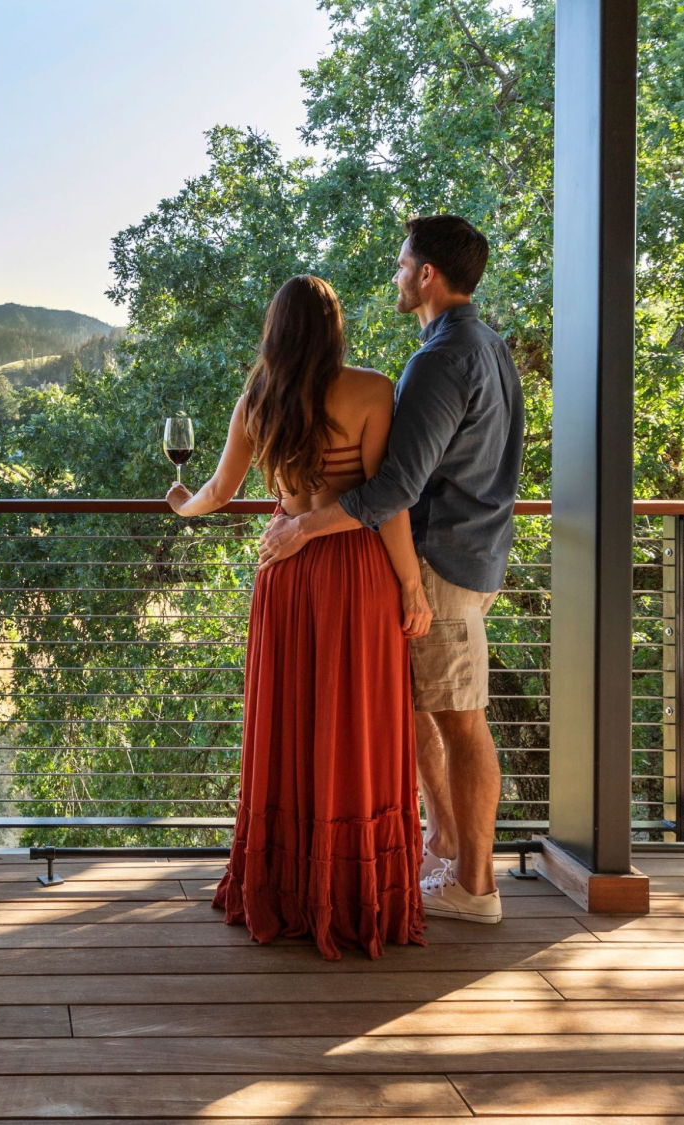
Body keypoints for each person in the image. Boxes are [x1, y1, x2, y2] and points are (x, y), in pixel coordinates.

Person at [257, 215, 523, 925]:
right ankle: (439, 842)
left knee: (462, 720)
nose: (397, 276)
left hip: (440, 560)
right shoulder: (488, 345)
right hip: (476, 551)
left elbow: (394, 488)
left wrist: (305, 524)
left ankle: (475, 885)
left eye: (403, 265)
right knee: (415, 708)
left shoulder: (438, 360)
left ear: (428, 275)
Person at [167, 274, 433, 960]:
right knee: (356, 722)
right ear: (335, 327)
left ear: (275, 330)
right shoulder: (373, 390)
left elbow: (219, 491)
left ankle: (286, 884)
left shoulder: (257, 398)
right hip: (356, 571)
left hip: (285, 573)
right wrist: (411, 586)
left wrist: (181, 505)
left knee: (291, 721)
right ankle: (352, 893)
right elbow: (387, 501)